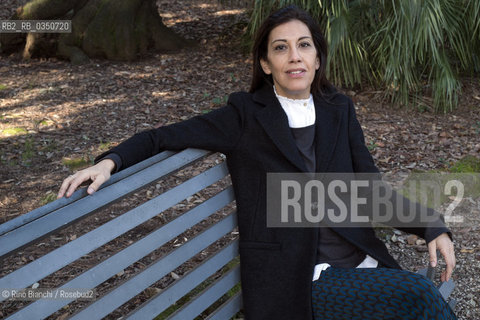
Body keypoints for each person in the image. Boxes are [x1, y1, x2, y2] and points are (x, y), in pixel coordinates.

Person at [58, 5, 457, 320]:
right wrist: (109, 162)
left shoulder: (338, 110)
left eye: (304, 45)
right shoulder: (245, 115)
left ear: (318, 58)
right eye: (280, 47)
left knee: (416, 301)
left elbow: (370, 192)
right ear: (266, 64)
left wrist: (429, 225)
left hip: (357, 258)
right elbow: (162, 135)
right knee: (419, 295)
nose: (294, 56)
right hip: (300, 280)